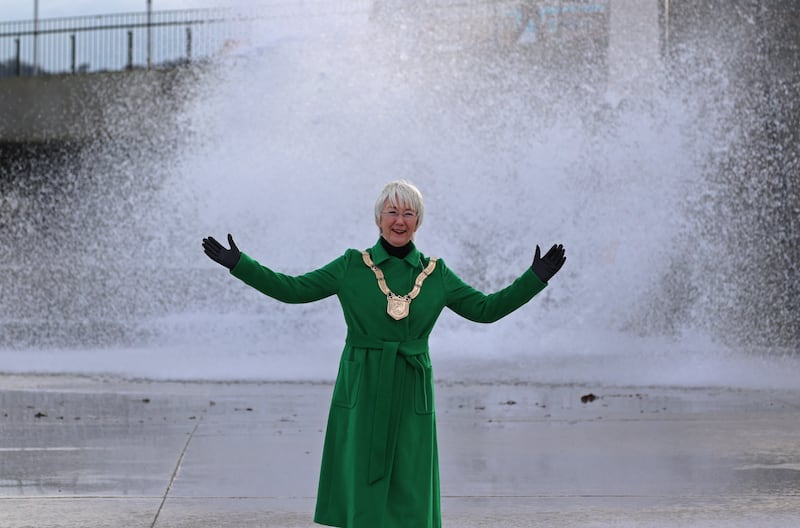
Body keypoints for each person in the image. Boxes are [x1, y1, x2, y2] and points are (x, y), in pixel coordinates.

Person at [202, 180, 566, 528]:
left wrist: (534, 277)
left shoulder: (436, 274)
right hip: (362, 381)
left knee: (411, 478)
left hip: (411, 384)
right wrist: (240, 264)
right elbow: (293, 290)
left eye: (409, 214)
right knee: (363, 477)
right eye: (392, 212)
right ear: (378, 218)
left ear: (418, 222)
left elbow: (486, 310)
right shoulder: (350, 266)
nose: (399, 221)